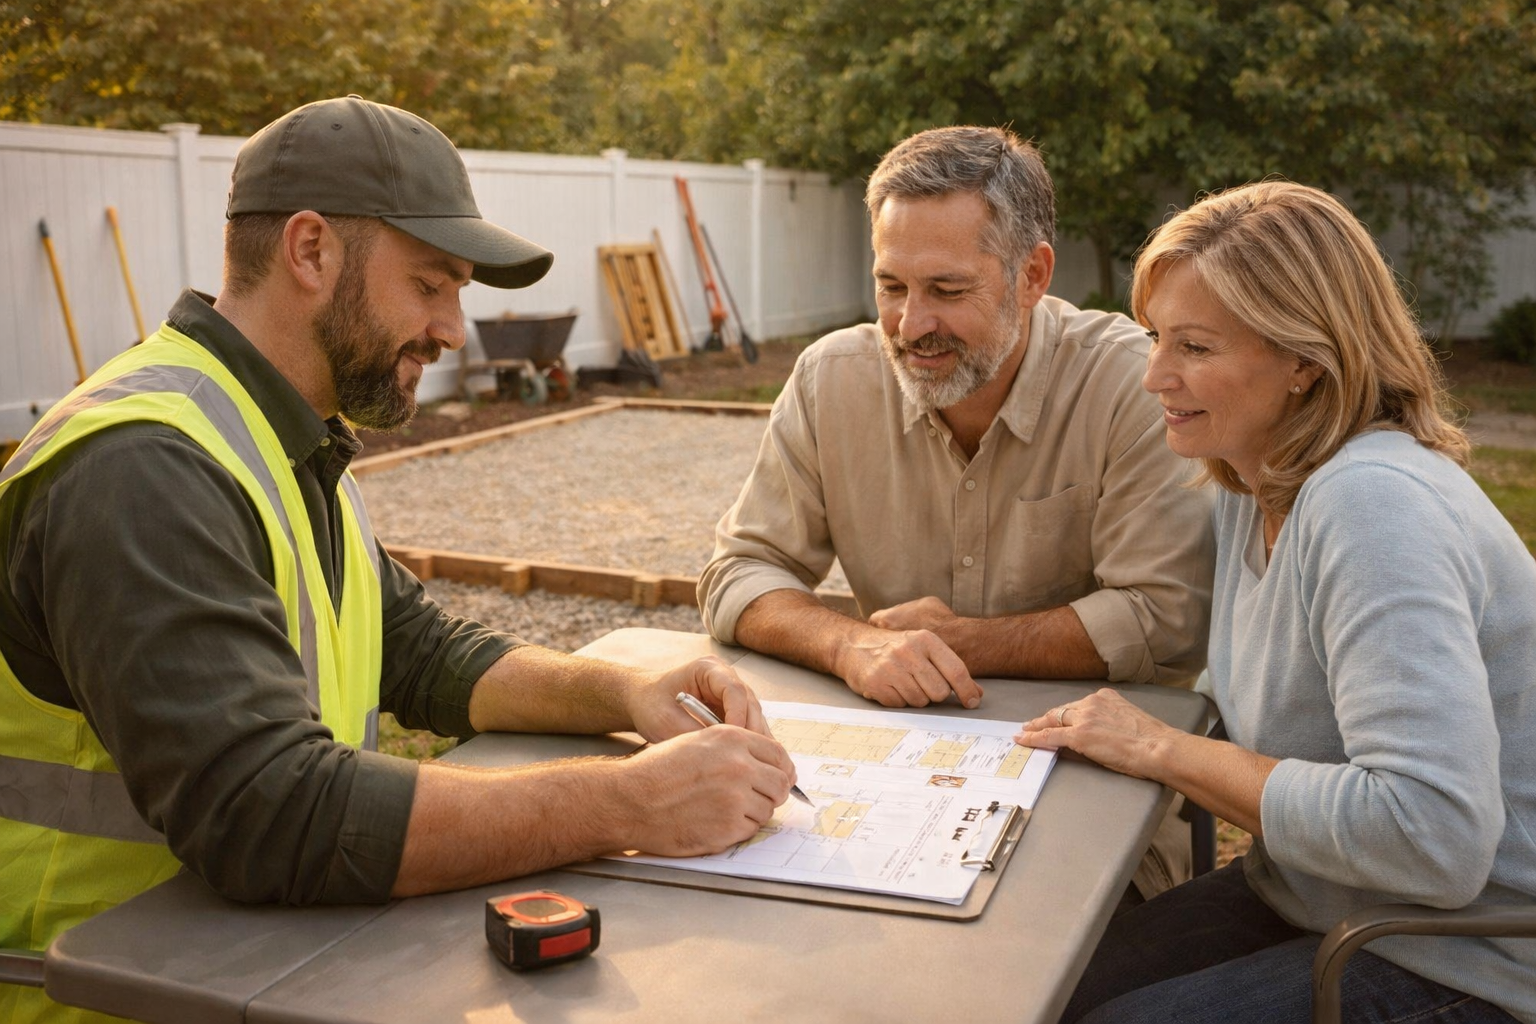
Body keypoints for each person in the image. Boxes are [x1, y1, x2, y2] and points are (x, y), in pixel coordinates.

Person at [0, 96, 796, 1024]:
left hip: (245, 973)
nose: (454, 328)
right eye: (430, 284)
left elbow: (413, 648)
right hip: (96, 995)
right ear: (309, 251)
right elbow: (268, 814)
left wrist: (623, 692)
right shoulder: (143, 467)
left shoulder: (277, 432)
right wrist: (628, 804)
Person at [1018, 181, 1536, 1023]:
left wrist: (1162, 751)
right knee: (1033, 983)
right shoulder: (1247, 479)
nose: (1155, 376)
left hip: (1468, 951)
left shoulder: (1372, 503)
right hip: (1320, 896)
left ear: (1304, 359)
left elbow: (1432, 835)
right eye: (1156, 339)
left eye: (1194, 347)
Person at [697, 125, 1216, 898]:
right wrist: (848, 647)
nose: (910, 327)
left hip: (1098, 796)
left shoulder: (1132, 388)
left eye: (946, 290)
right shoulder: (829, 378)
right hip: (889, 784)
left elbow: (1166, 618)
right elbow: (739, 571)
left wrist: (960, 643)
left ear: (1032, 275)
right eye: (891, 287)